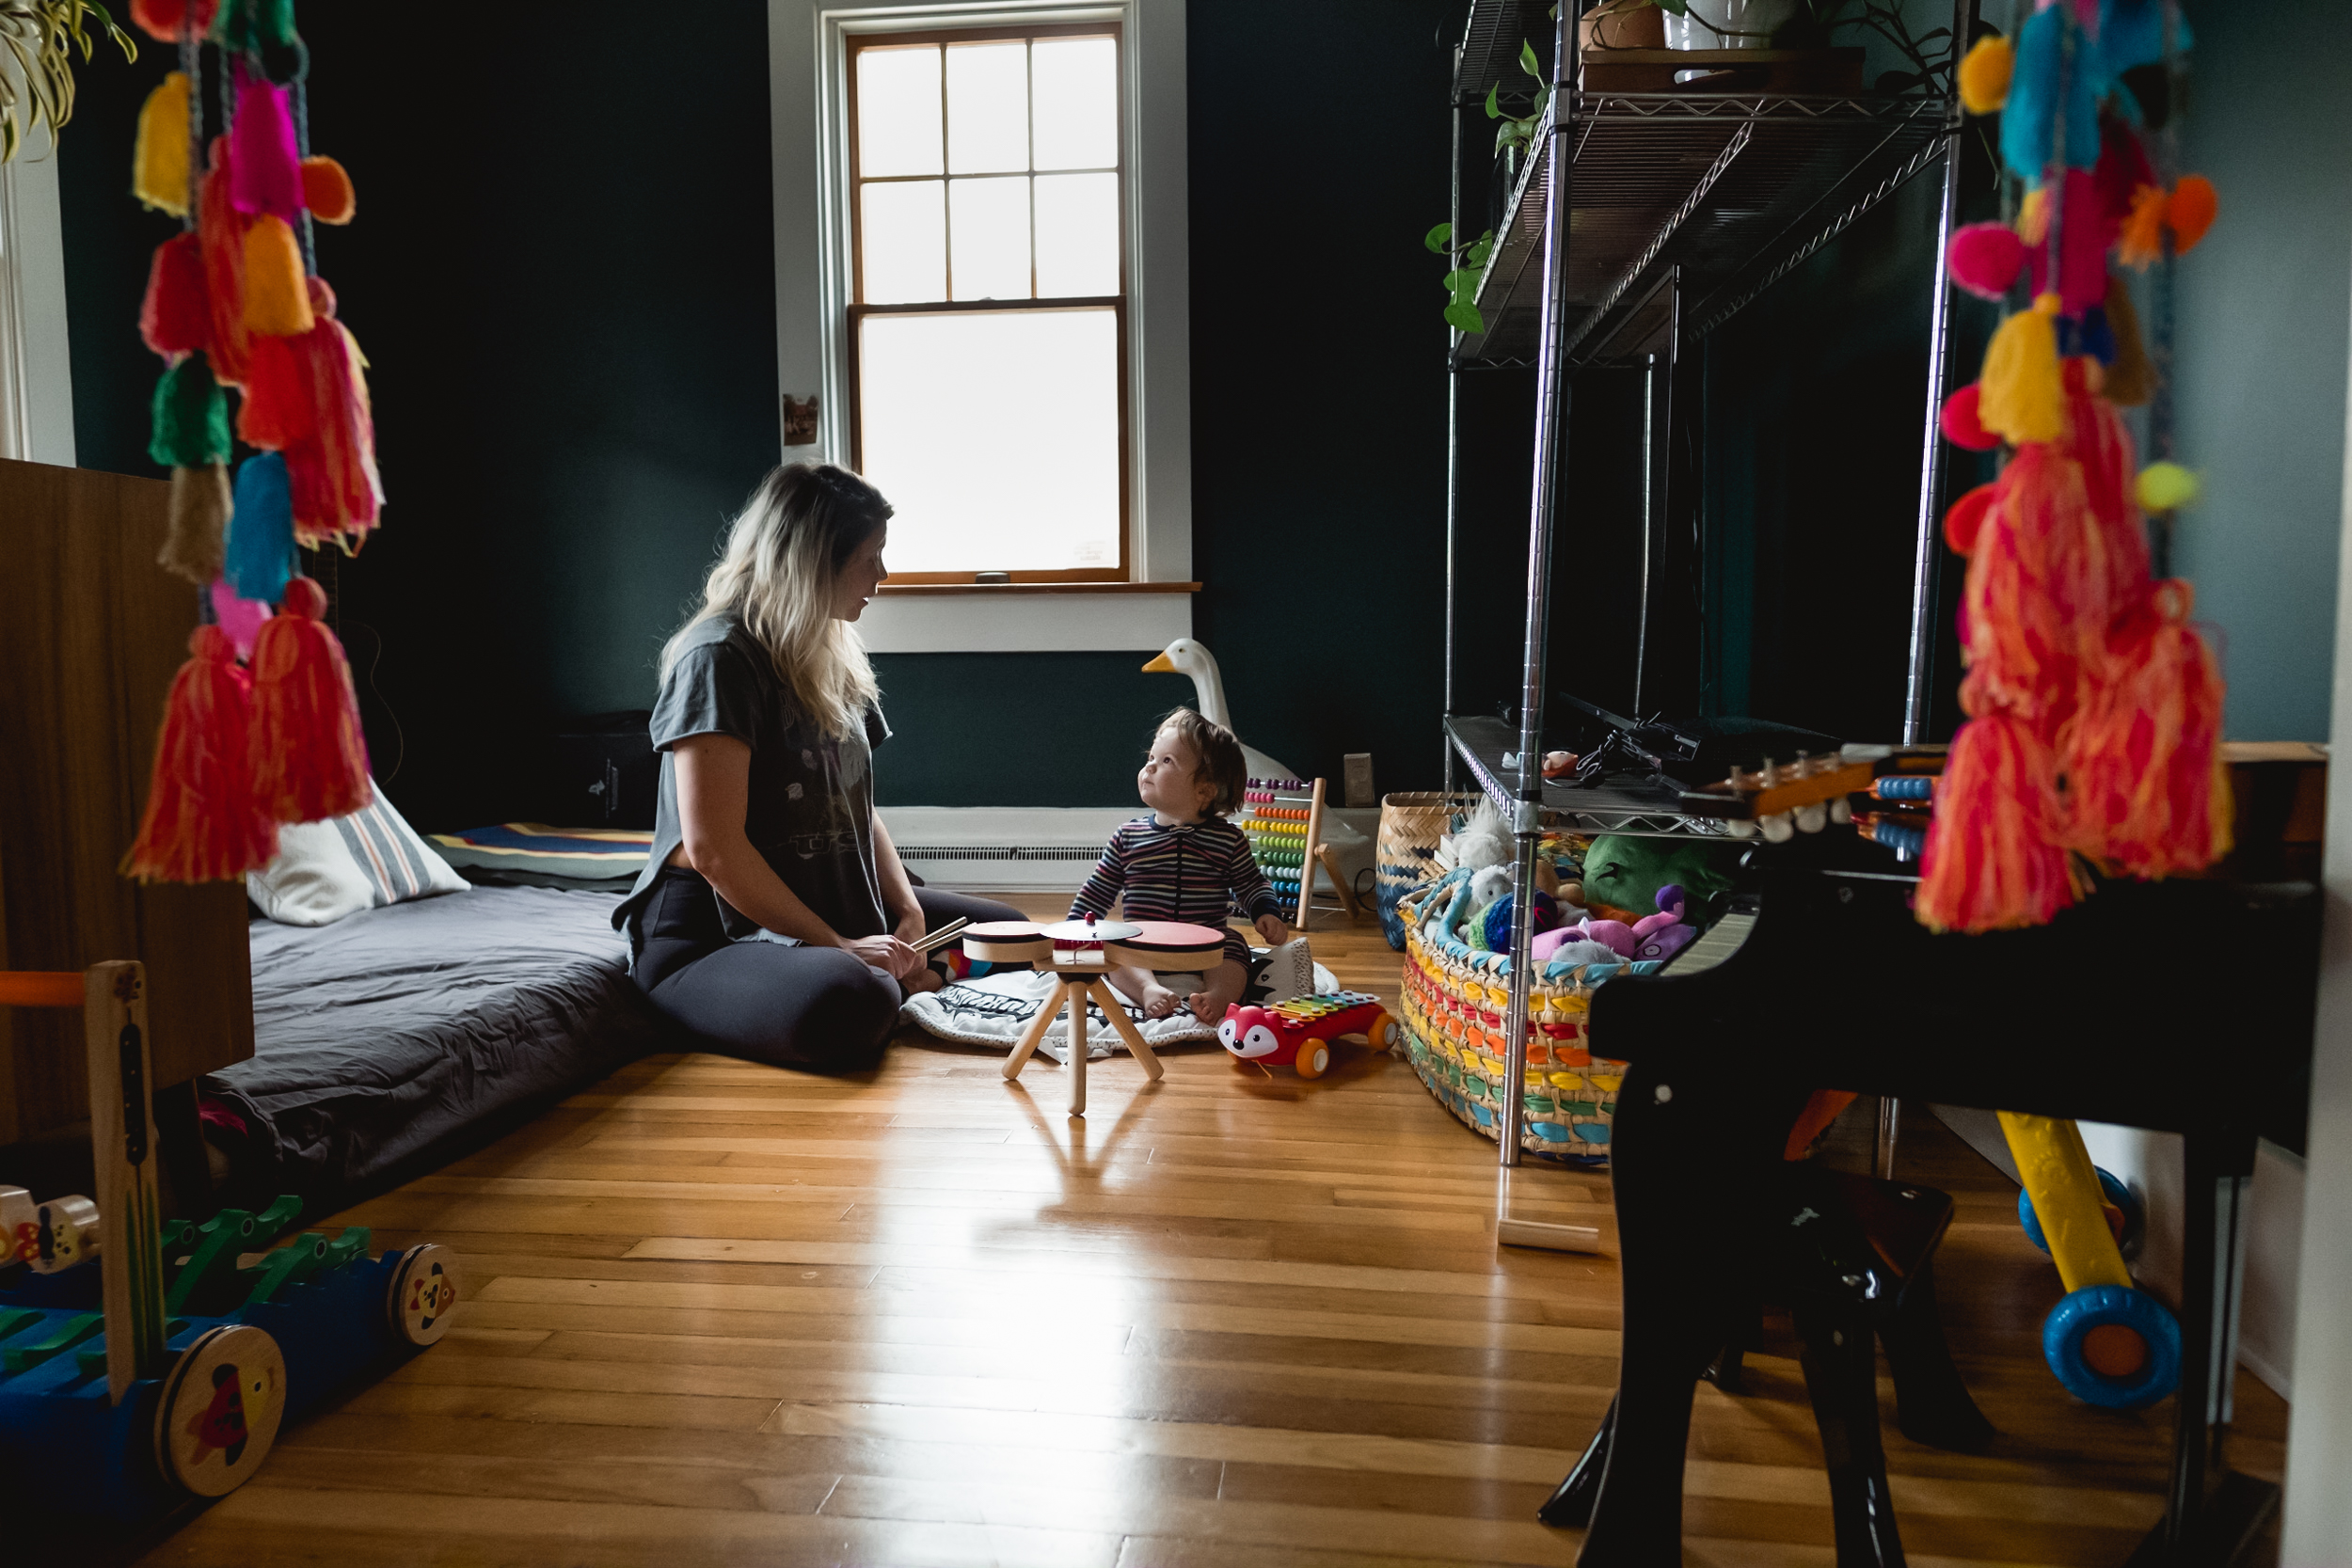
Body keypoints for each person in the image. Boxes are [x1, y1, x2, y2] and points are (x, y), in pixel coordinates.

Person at [613, 463, 1024, 1071]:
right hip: (712, 939)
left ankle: (909, 982)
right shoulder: (718, 657)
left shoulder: (832, 651)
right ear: (812, 562)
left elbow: (859, 810)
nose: (881, 576)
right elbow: (714, 849)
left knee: (1015, 935)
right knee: (849, 997)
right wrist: (839, 947)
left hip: (836, 912)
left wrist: (907, 912)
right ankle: (904, 986)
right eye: (869, 557)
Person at [1073, 707, 1290, 1024]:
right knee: (1109, 946)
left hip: (1206, 943)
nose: (1149, 766)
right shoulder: (1128, 836)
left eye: (1166, 762)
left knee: (1235, 946)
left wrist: (1266, 912)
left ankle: (1218, 996)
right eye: (1151, 756)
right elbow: (1097, 891)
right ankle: (1148, 990)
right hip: (1141, 941)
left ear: (1204, 791)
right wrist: (1073, 928)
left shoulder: (1228, 840)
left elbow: (1251, 883)